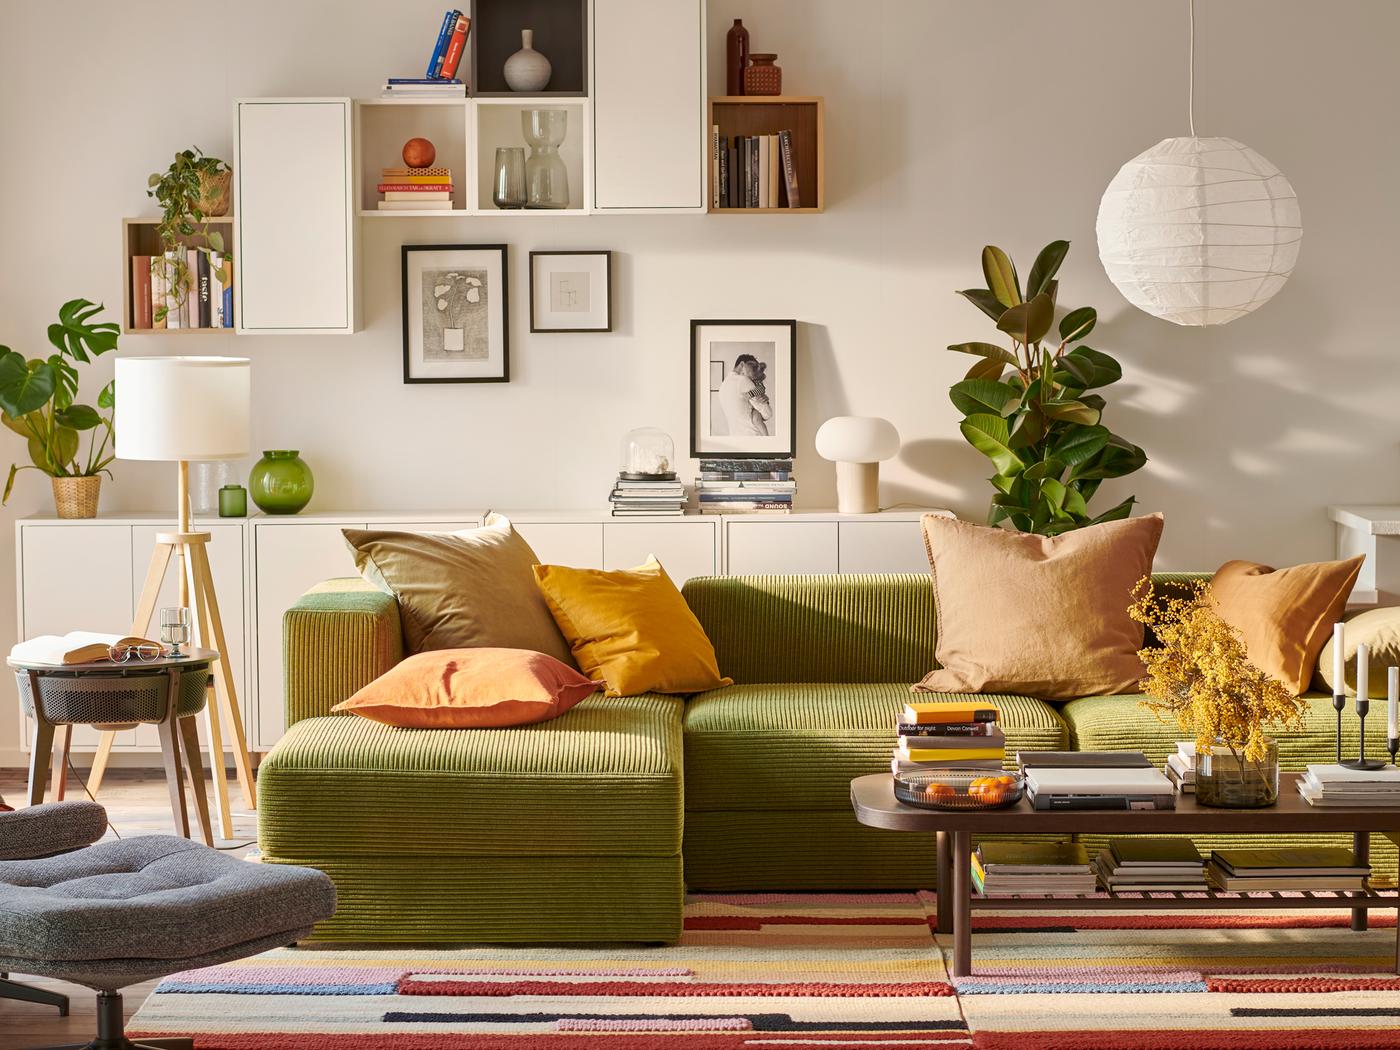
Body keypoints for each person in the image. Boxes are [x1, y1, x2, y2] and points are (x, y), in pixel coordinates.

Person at [716, 354, 772, 437]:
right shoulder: (743, 380)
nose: (754, 371)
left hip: (735, 436)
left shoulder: (723, 385)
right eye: (753, 367)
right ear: (742, 364)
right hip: (753, 436)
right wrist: (766, 403)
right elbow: (768, 414)